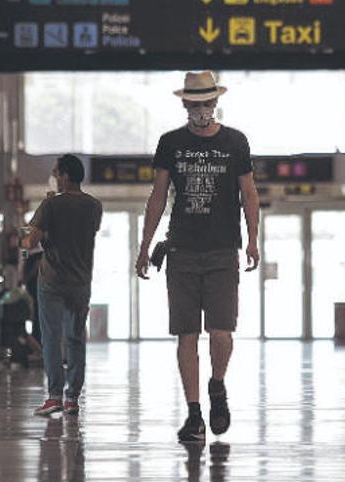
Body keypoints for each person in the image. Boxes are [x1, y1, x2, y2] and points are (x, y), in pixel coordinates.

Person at [136, 71, 260, 442]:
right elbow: (158, 197)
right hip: (182, 251)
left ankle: (217, 386)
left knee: (221, 332)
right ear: (184, 104)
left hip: (223, 249)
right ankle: (194, 414)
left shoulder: (235, 142)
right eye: (194, 104)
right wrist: (144, 246)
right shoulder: (170, 143)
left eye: (206, 103)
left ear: (215, 103)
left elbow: (249, 195)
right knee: (186, 334)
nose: (200, 110)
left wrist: (253, 239)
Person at [23, 154, 103, 416]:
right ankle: (72, 399)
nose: (55, 178)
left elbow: (30, 242)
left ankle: (54, 396)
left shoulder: (51, 206)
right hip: (80, 281)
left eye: (57, 173)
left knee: (51, 338)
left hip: (53, 281)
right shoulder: (94, 206)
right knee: (76, 338)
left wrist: (39, 218)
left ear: (66, 175)